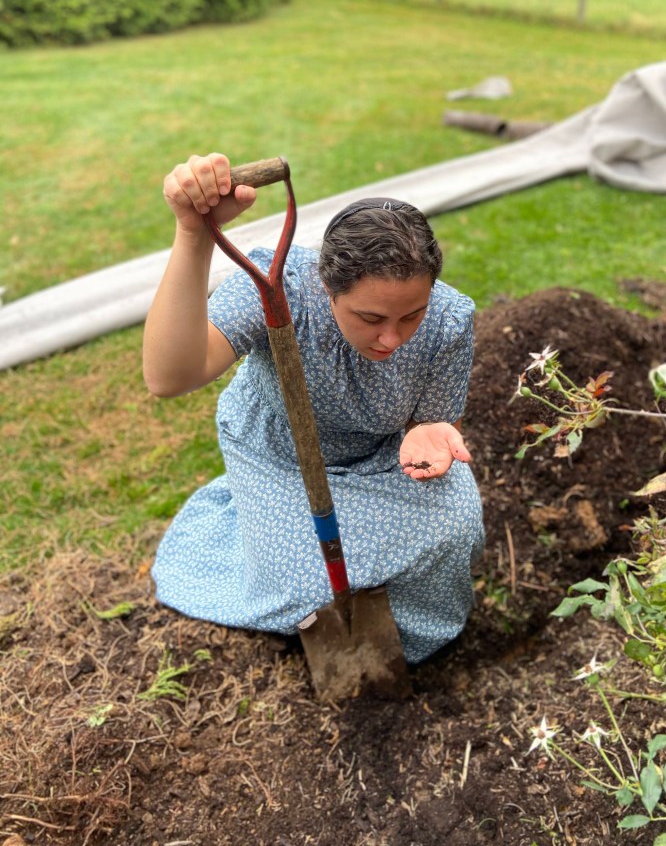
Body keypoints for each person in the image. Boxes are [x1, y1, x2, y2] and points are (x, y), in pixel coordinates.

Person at [144, 153, 485, 665]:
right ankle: (244, 532)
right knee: (307, 581)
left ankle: (419, 648)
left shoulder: (449, 320)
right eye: (370, 317)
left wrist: (422, 431)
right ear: (328, 288)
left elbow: (433, 423)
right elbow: (170, 376)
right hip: (279, 455)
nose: (392, 338)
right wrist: (194, 235)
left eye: (411, 315)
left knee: (457, 526)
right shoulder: (276, 286)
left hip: (379, 453)